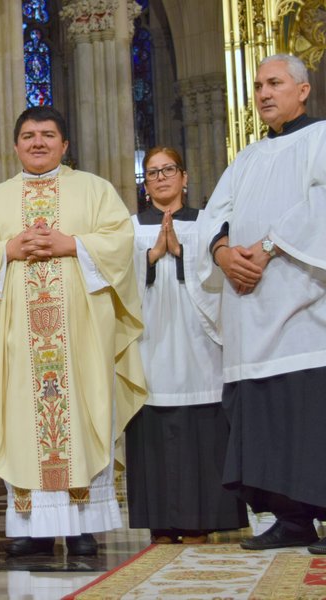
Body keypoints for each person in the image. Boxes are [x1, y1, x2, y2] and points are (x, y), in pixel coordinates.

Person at [0, 106, 146, 558]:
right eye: (29, 135)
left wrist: (72, 244)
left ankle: (83, 525)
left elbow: (121, 242)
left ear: (65, 144)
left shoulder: (95, 190)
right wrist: (7, 250)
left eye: (48, 135)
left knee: (83, 411)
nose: (37, 142)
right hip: (18, 335)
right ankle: (30, 527)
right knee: (22, 418)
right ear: (15, 145)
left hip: (81, 333)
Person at [196, 53, 326, 553]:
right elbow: (214, 215)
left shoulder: (320, 139)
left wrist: (269, 247)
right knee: (265, 415)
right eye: (257, 86)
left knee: (312, 413)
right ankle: (290, 519)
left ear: (303, 90)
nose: (264, 93)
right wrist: (223, 253)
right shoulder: (246, 158)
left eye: (275, 83)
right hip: (250, 314)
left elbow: (320, 204)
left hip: (305, 314)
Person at [125, 147, 248, 544]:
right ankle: (160, 522)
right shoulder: (130, 227)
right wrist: (151, 256)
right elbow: (118, 282)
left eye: (168, 170)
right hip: (151, 341)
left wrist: (181, 254)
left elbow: (220, 279)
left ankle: (204, 519)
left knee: (204, 427)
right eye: (152, 172)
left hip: (198, 342)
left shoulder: (209, 224)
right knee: (153, 426)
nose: (160, 178)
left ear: (185, 176)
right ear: (145, 183)